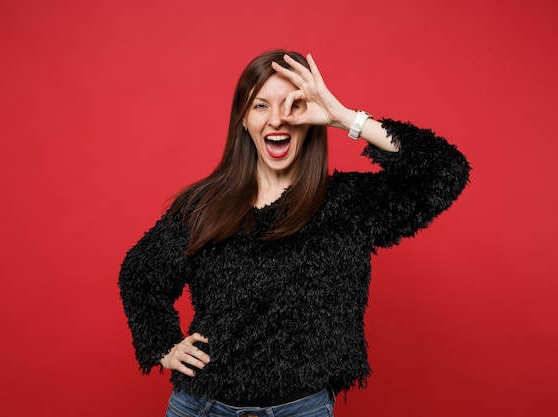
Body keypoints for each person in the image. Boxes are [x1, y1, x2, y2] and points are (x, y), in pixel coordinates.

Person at [118, 50, 470, 417]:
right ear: (242, 118)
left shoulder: (348, 204)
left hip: (301, 409)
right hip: (201, 407)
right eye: (260, 106)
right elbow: (140, 274)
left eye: (292, 105)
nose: (276, 119)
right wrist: (163, 346)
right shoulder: (202, 206)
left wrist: (342, 117)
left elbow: (445, 170)